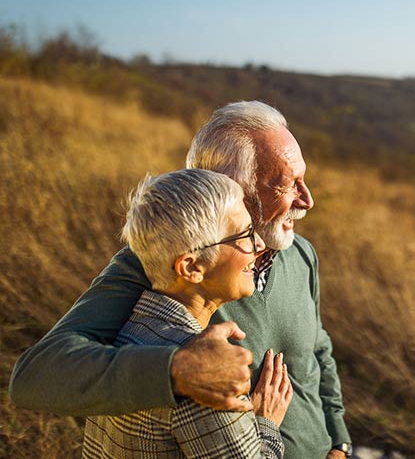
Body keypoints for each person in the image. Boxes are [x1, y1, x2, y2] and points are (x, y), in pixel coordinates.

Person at [10, 101, 352, 459]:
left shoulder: (301, 253)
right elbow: (36, 377)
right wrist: (177, 370)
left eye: (303, 179)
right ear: (228, 187)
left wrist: (340, 443)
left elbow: (318, 352)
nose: (307, 200)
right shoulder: (158, 262)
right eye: (286, 184)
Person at [83, 169, 290, 458]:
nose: (258, 245)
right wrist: (266, 422)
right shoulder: (207, 378)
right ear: (191, 268)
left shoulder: (122, 333)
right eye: (243, 235)